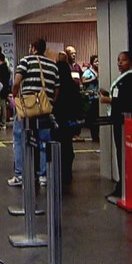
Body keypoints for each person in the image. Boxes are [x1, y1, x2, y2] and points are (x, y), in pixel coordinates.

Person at [8, 38, 59, 188]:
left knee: (20, 139)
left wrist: (15, 97)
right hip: (45, 108)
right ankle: (43, 175)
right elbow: (57, 89)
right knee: (44, 142)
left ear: (33, 48)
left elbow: (17, 82)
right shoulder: (52, 65)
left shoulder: (26, 61)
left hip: (28, 108)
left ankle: (20, 174)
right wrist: (49, 103)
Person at [99, 51, 132, 200]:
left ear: (130, 62)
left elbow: (129, 101)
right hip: (118, 120)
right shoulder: (122, 78)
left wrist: (110, 101)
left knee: (123, 152)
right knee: (119, 151)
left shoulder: (131, 79)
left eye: (123, 60)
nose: (119, 63)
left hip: (125, 121)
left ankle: (125, 185)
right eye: (118, 60)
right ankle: (121, 184)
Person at [53, 48, 83, 185]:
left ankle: (56, 172)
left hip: (56, 121)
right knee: (68, 147)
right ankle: (67, 173)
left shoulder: (55, 87)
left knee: (56, 147)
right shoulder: (72, 86)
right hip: (69, 122)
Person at [82, 54, 100, 142]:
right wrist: (92, 80)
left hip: (98, 97)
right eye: (96, 61)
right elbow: (83, 80)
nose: (98, 63)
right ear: (92, 63)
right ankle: (94, 136)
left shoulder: (100, 71)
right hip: (91, 98)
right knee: (93, 118)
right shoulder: (88, 72)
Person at [0, 52, 11, 130]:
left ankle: (2, 123)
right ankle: (1, 122)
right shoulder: (6, 67)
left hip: (0, 90)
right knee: (2, 105)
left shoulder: (1, 67)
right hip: (3, 89)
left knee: (1, 106)